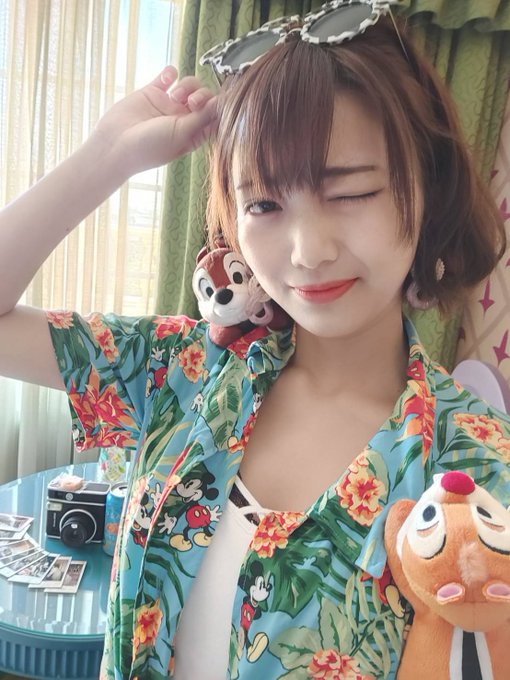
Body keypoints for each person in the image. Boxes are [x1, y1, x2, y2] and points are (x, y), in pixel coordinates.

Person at [0, 3, 508, 679]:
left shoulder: (476, 466)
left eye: (351, 192)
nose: (307, 251)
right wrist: (110, 155)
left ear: (427, 187)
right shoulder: (186, 369)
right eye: (264, 204)